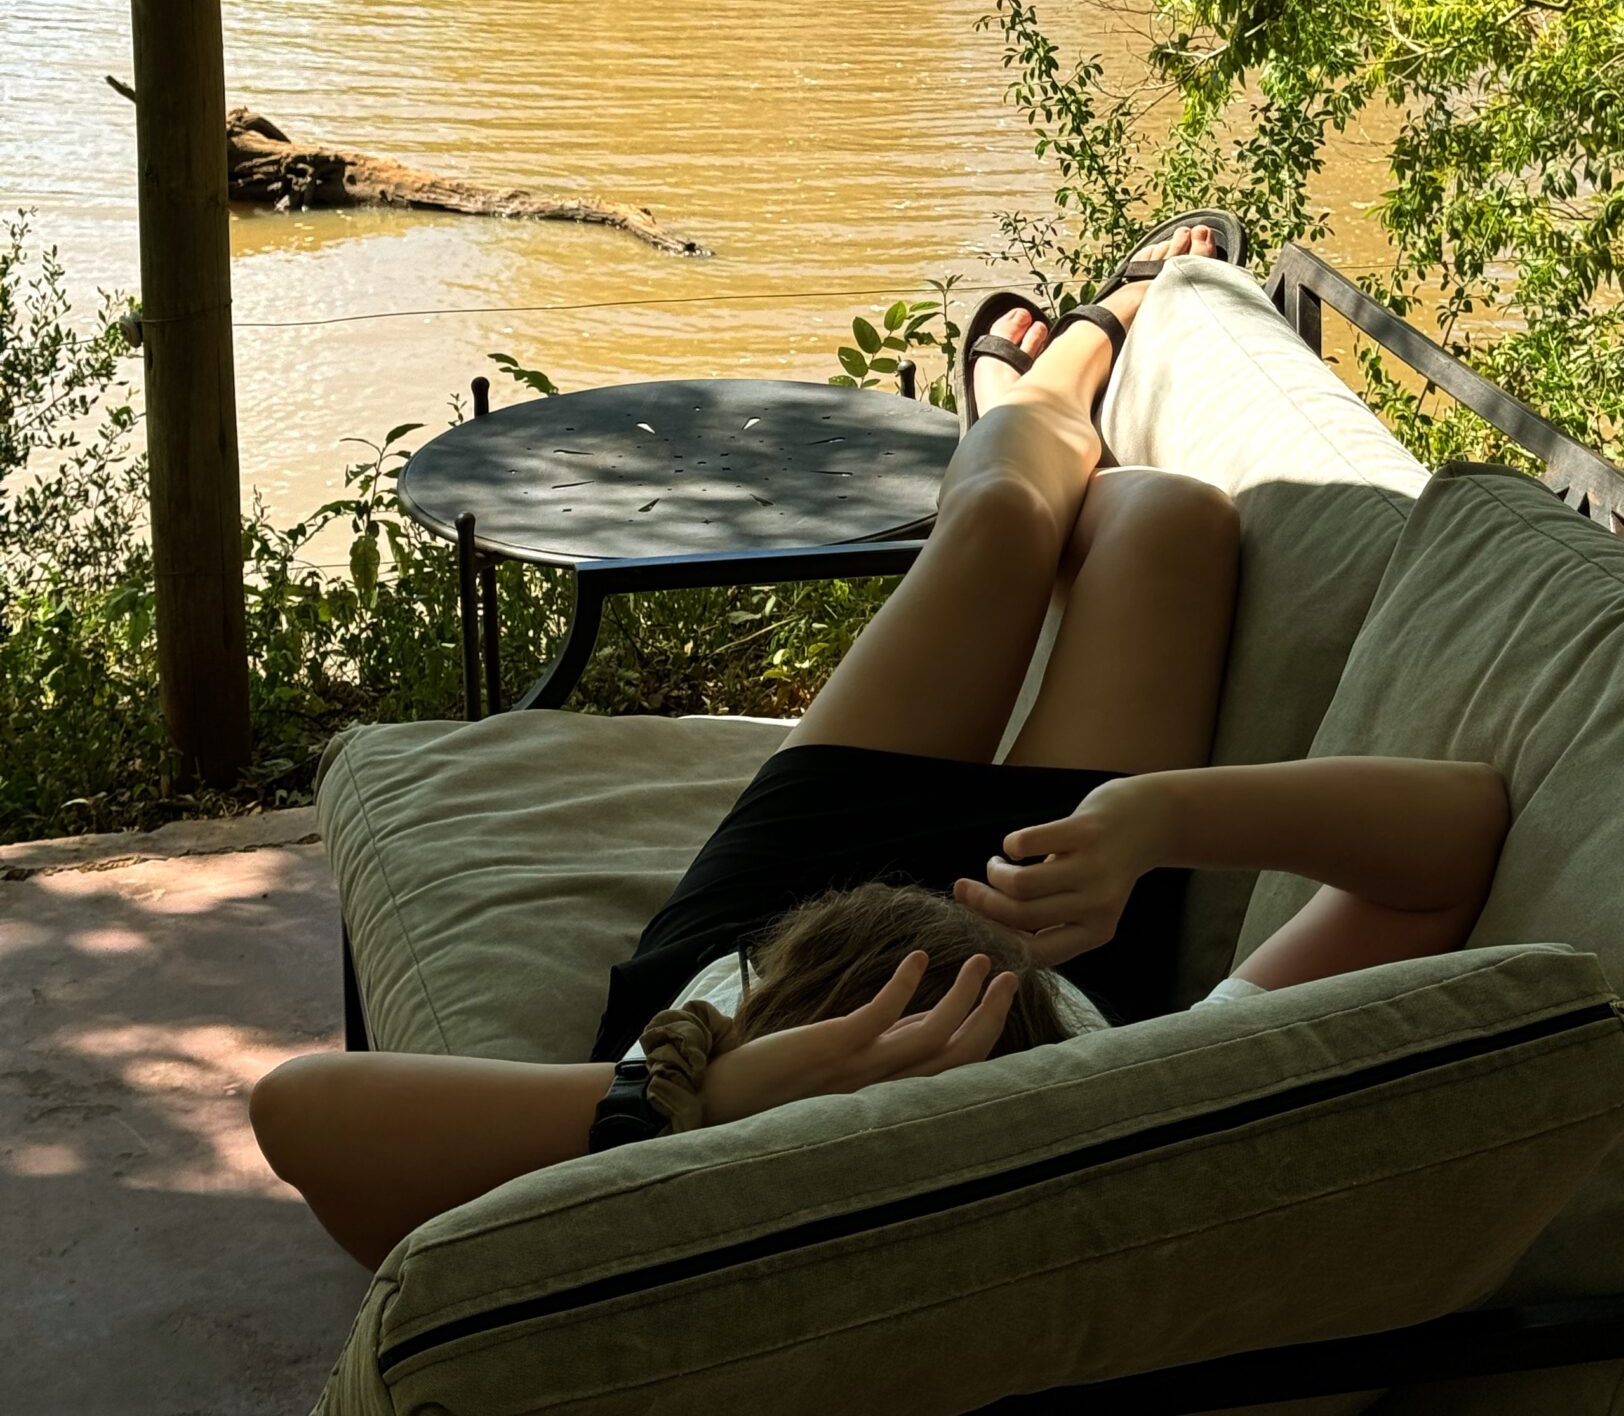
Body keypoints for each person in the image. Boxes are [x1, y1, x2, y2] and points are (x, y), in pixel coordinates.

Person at [251, 223, 1509, 1269]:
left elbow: (300, 1107)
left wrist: (715, 1089)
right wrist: (1161, 819)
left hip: (780, 931)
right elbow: (1457, 832)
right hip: (1046, 927)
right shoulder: (1115, 1092)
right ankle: (1048, 397)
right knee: (1171, 516)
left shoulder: (679, 1150)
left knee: (1002, 525)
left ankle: (1030, 389)